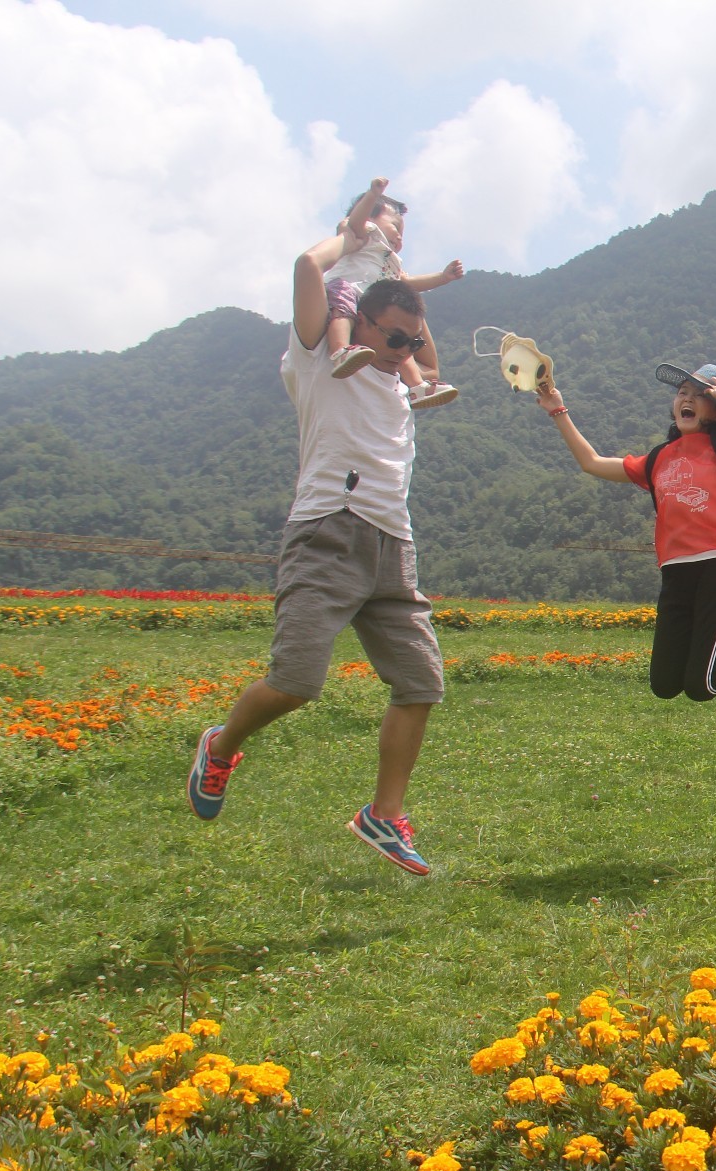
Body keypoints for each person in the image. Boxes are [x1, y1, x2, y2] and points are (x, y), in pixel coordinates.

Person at [183, 192, 447, 875]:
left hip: (394, 544)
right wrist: (351, 236)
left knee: (421, 682)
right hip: (327, 534)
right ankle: (221, 744)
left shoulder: (399, 380)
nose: (402, 351)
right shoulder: (318, 360)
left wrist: (397, 276)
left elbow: (430, 364)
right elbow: (306, 267)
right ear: (353, 320)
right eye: (390, 337)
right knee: (297, 682)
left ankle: (384, 816)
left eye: (409, 342)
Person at [535, 364, 716, 698]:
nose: (686, 398)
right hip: (675, 570)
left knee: (704, 686)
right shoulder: (658, 458)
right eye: (682, 393)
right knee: (664, 684)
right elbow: (593, 463)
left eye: (700, 394)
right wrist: (557, 409)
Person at [325, 177, 463, 409]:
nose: (400, 236)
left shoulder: (392, 262)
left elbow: (407, 283)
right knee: (343, 312)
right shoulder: (364, 235)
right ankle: (341, 350)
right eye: (395, 227)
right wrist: (372, 195)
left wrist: (442, 277)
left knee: (401, 343)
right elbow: (354, 223)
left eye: (402, 232)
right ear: (370, 217)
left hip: (377, 306)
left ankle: (418, 386)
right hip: (349, 287)